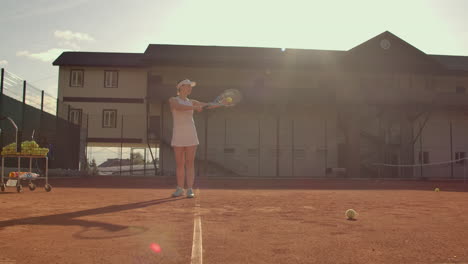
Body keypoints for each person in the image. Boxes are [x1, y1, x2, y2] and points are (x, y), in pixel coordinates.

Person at [169, 79, 209, 198]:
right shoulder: (173, 100)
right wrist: (195, 107)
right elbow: (178, 107)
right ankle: (180, 188)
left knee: (190, 163)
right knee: (180, 164)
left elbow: (205, 104)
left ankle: (189, 189)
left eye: (191, 87)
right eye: (188, 86)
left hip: (191, 134)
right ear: (180, 87)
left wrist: (220, 103)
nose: (190, 88)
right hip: (178, 135)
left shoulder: (192, 101)